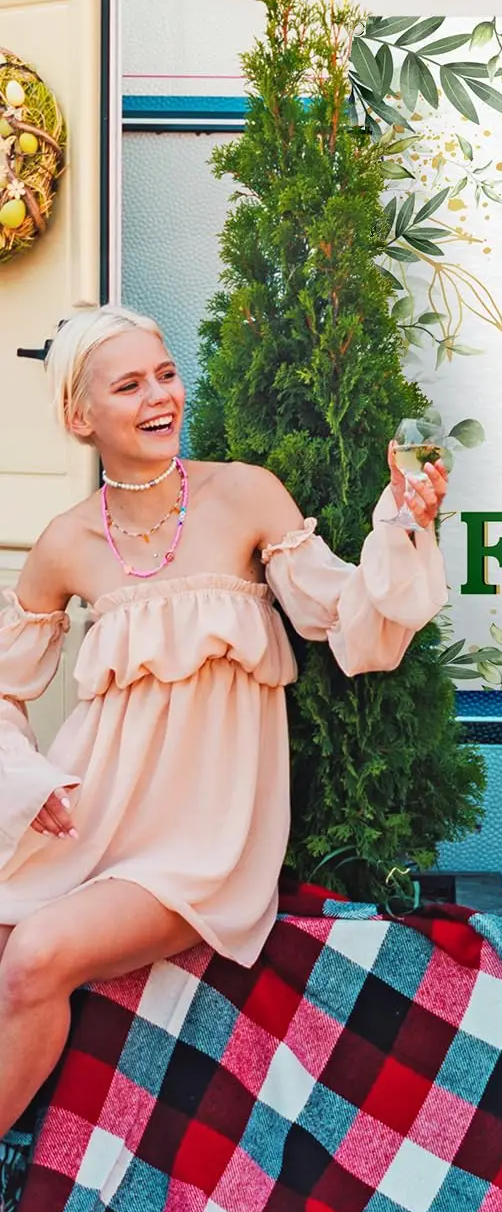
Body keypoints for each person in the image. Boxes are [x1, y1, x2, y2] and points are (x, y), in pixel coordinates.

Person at [0, 306, 447, 1142]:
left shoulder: (244, 493)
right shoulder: (63, 543)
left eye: (165, 374)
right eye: (129, 385)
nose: (160, 396)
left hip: (203, 842)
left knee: (33, 958)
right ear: (79, 417)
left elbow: (350, 625)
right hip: (94, 812)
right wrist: (28, 782)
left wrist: (402, 519)